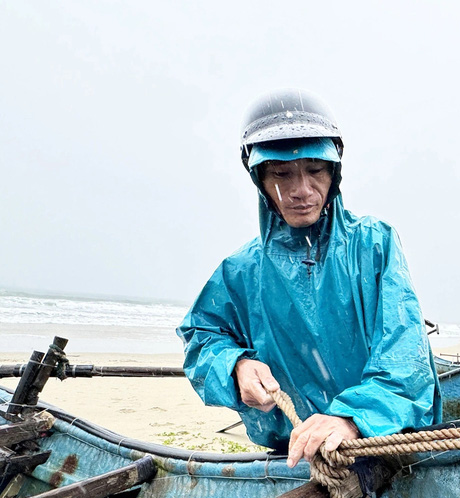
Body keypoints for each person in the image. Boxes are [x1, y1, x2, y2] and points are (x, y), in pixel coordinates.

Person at [177, 89, 441, 468]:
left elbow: (405, 356)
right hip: (293, 456)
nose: (301, 190)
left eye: (315, 171)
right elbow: (202, 338)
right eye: (282, 174)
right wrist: (235, 365)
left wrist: (354, 418)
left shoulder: (374, 245)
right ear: (260, 180)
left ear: (334, 174)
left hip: (381, 443)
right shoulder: (240, 271)